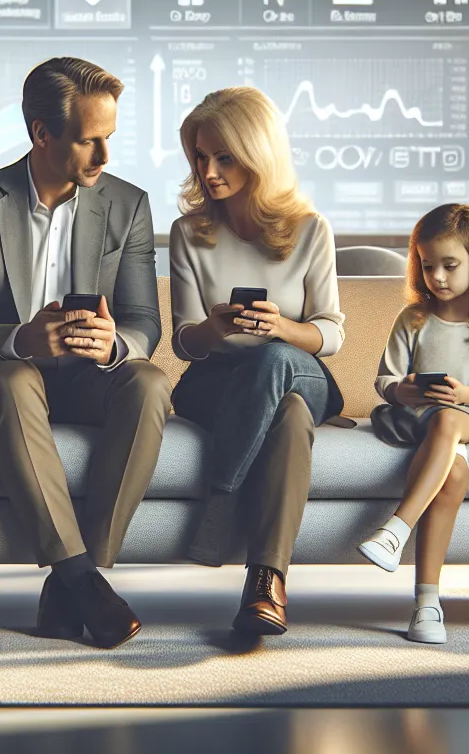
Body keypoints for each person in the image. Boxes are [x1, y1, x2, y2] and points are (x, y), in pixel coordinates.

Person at [0, 57, 170, 650]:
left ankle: (73, 583)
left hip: (93, 375)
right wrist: (21, 339)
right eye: (90, 141)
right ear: (42, 132)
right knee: (11, 380)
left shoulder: (128, 204)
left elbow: (144, 321)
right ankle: (83, 580)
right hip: (11, 375)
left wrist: (115, 344)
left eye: (109, 139)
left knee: (149, 382)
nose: (104, 158)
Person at [167, 86, 345, 637]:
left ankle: (219, 507)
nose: (209, 171)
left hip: (298, 365)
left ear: (258, 154)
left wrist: (283, 329)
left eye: (224, 157)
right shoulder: (188, 234)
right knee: (289, 417)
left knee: (274, 362)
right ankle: (266, 584)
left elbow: (332, 333)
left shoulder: (310, 230)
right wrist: (214, 329)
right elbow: (183, 343)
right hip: (218, 381)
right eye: (200, 157)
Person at [358, 204, 469, 644]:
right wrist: (402, 390)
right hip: (416, 419)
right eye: (429, 267)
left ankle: (397, 528)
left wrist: (464, 395)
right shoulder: (414, 319)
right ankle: (427, 603)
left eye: (450, 266)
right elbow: (385, 378)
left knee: (449, 417)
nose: (438, 277)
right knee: (454, 473)